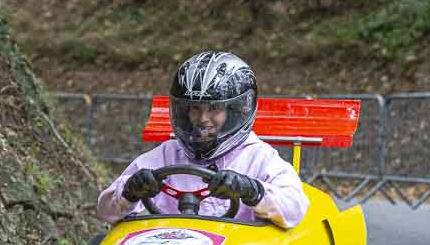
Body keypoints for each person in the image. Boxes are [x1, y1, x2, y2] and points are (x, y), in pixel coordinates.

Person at [97, 51, 309, 229]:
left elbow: (295, 208)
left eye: (215, 109)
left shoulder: (258, 157)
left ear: (235, 111)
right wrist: (130, 191)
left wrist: (251, 190)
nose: (203, 119)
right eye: (195, 109)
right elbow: (106, 211)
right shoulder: (166, 155)